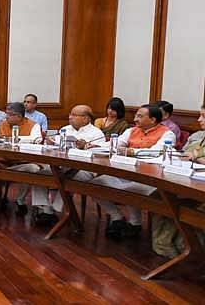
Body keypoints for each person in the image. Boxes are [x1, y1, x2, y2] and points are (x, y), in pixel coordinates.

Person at [90, 104, 175, 239]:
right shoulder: (132, 130)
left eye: (140, 116)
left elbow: (157, 152)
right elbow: (117, 144)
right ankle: (117, 217)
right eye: (136, 115)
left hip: (149, 176)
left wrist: (131, 151)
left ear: (152, 119)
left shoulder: (167, 133)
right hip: (124, 172)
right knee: (95, 184)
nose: (135, 119)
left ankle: (135, 223)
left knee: (131, 189)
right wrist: (94, 145)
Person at [33, 105, 106, 226]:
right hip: (62, 165)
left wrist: (86, 146)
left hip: (84, 169)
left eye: (74, 115)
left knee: (68, 180)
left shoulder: (96, 133)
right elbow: (54, 146)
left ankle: (54, 211)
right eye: (70, 114)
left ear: (86, 119)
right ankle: (45, 210)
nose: (70, 117)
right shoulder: (65, 129)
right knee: (39, 175)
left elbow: (100, 156)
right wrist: (50, 142)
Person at [151, 104, 205, 257]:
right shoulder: (198, 137)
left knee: (181, 202)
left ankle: (188, 249)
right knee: (161, 196)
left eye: (203, 116)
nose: (199, 120)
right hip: (188, 181)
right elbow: (184, 154)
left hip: (199, 190)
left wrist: (198, 158)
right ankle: (165, 245)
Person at [0, 102, 43, 212]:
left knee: (33, 169)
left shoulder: (33, 126)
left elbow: (37, 139)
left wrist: (15, 139)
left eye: (9, 114)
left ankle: (20, 201)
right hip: (2, 162)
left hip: (23, 163)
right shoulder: (2, 124)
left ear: (18, 116)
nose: (6, 116)